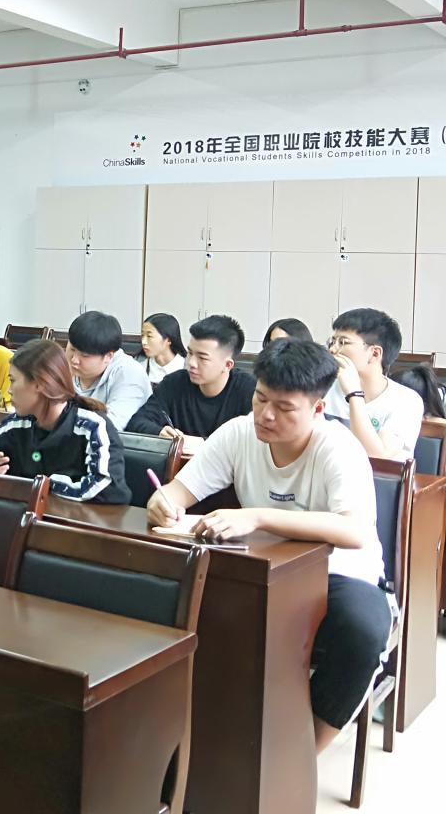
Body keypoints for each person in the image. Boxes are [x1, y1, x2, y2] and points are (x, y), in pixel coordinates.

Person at [146, 339, 391, 756]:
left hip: (337, 574)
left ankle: (304, 756)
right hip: (260, 569)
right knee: (179, 603)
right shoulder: (239, 433)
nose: (266, 415)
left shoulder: (338, 447)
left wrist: (258, 516)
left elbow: (354, 531)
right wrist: (162, 502)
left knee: (363, 634)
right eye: (260, 399)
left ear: (317, 408)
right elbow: (176, 492)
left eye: (284, 407)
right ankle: (198, 740)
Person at [0, 339, 130, 504]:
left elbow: (104, 487)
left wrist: (42, 486)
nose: (9, 390)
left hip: (81, 519)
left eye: (13, 380)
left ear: (39, 384)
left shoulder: (91, 427)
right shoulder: (15, 425)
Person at [127, 315, 255, 439]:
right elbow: (137, 421)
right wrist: (159, 432)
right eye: (190, 353)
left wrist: (202, 443)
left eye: (202, 358)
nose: (191, 363)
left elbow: (253, 438)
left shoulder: (249, 391)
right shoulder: (174, 383)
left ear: (227, 365)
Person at [325, 308, 423, 459]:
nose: (333, 349)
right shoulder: (324, 388)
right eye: (332, 342)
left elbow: (377, 456)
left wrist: (354, 394)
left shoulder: (407, 401)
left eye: (342, 342)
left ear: (375, 353)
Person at [64, 311, 151, 430]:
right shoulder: (62, 364)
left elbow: (112, 425)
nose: (74, 360)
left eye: (84, 355)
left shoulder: (130, 373)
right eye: (72, 349)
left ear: (108, 356)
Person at [139, 312, 187, 385]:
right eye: (142, 335)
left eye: (149, 336)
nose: (143, 342)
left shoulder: (186, 368)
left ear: (168, 340)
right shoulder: (140, 368)